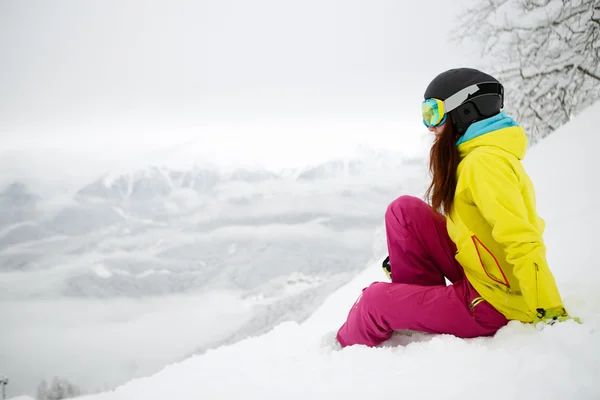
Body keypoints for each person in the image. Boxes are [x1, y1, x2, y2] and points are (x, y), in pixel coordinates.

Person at [336, 67, 577, 348]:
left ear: (464, 113)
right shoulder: (475, 156)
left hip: (496, 302)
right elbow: (474, 227)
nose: (429, 126)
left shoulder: (484, 164)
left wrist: (549, 311)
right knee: (404, 212)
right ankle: (418, 307)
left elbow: (522, 240)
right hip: (484, 273)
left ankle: (337, 358)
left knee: (372, 303)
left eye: (434, 113)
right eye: (425, 114)